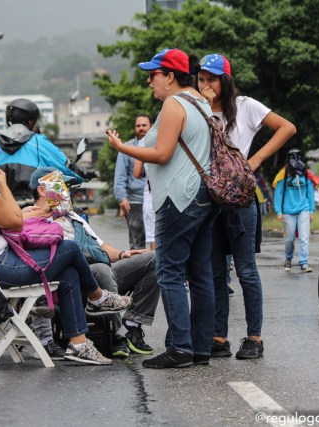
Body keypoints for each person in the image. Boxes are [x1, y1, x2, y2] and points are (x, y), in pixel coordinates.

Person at [0, 137, 132, 365]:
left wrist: (25, 213)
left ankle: (79, 344)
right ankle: (98, 297)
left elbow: (1, 222)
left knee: (68, 274)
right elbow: (16, 223)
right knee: (68, 248)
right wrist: (2, 186)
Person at [107, 48, 220, 369]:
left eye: (153, 75)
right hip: (204, 195)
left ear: (170, 76)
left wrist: (121, 147)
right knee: (200, 275)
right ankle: (200, 348)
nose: (148, 82)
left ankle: (180, 348)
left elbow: (162, 154)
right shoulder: (200, 101)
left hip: (179, 198)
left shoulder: (174, 104)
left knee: (169, 272)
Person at [197, 53, 296, 360]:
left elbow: (287, 128)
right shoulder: (194, 109)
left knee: (246, 271)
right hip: (207, 198)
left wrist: (256, 160)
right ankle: (218, 337)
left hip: (240, 199)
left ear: (225, 80)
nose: (206, 84)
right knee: (215, 273)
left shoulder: (246, 106)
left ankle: (254, 337)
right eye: (201, 79)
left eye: (212, 78)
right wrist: (202, 104)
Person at [27, 166, 160, 358]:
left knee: (153, 259)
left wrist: (123, 254)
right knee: (100, 269)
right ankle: (117, 335)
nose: (65, 189)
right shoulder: (31, 217)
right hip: (72, 282)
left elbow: (101, 246)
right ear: (41, 190)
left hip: (102, 275)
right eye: (60, 184)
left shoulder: (73, 216)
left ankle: (132, 325)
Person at [0, 98, 85, 206]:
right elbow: (65, 166)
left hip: (1, 208)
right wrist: (82, 175)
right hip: (33, 207)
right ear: (31, 121)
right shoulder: (38, 142)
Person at [275, 148, 315, 273]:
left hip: (304, 209)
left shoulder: (306, 173)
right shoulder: (284, 174)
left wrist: (311, 211)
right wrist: (279, 211)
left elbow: (310, 193)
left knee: (304, 237)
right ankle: (288, 258)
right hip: (288, 211)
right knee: (290, 238)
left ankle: (304, 262)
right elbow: (279, 194)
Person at [114, 115, 151, 250]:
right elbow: (120, 175)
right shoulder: (126, 148)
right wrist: (122, 198)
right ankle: (138, 269)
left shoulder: (159, 146)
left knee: (157, 239)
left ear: (151, 126)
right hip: (135, 201)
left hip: (156, 200)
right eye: (138, 126)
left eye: (144, 125)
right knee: (137, 240)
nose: (141, 128)